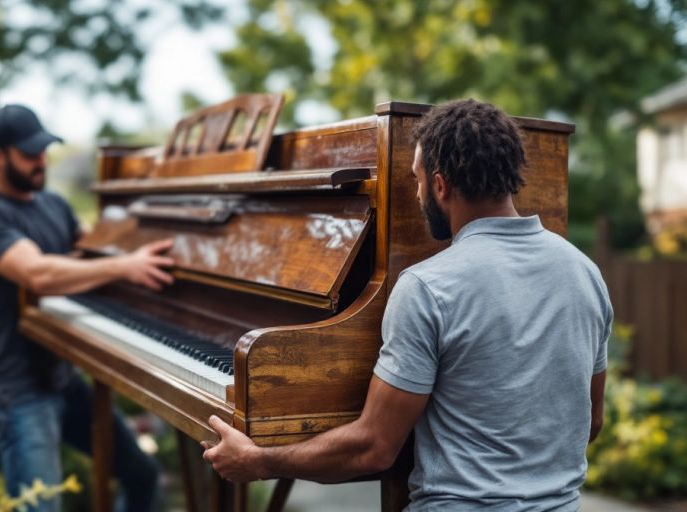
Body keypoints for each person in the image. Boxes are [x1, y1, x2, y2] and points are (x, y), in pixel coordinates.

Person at [202, 99, 612, 511]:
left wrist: (258, 461)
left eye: (416, 180)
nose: (416, 194)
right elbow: (590, 422)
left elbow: (373, 448)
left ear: (440, 185)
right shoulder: (585, 272)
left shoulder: (429, 286)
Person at [0, 104, 169, 511]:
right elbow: (38, 273)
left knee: (142, 475)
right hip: (16, 388)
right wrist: (126, 265)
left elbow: (91, 249)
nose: (41, 161)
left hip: (63, 374)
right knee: (42, 506)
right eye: (29, 153)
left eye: (43, 151)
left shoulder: (54, 205)